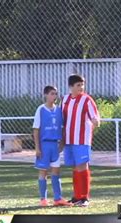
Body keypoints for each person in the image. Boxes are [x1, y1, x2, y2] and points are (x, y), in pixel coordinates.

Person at [61, 74, 100, 207]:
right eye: (78, 85)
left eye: (82, 84)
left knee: (83, 165)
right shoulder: (65, 99)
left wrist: (93, 125)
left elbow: (95, 119)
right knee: (75, 167)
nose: (81, 87)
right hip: (69, 140)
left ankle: (84, 198)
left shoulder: (87, 100)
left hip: (82, 140)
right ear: (71, 86)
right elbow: (62, 119)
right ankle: (76, 196)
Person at [32, 85, 72, 207]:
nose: (54, 96)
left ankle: (57, 198)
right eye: (51, 94)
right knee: (43, 172)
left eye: (55, 94)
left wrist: (62, 143)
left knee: (56, 171)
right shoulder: (41, 110)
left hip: (55, 145)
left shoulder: (59, 110)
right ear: (45, 95)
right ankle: (43, 199)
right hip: (44, 145)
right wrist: (37, 148)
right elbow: (36, 130)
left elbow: (63, 128)